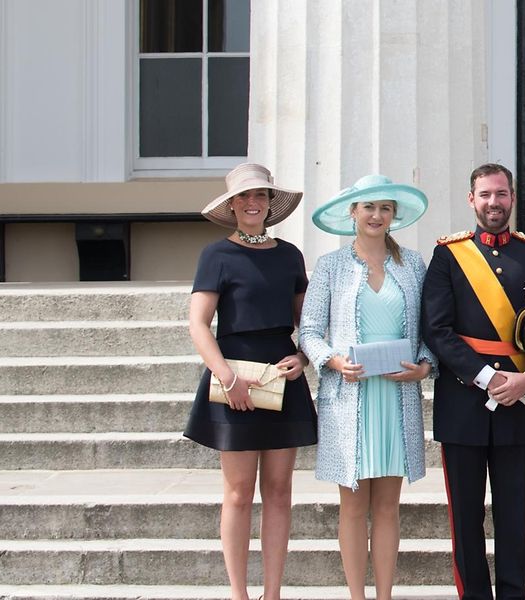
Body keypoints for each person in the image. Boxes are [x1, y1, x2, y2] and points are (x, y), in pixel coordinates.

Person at [422, 163, 525, 600]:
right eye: (485, 195)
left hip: (519, 403)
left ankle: (512, 593)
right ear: (472, 200)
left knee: (513, 512)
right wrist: (485, 377)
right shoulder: (449, 255)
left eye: (501, 194)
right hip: (464, 402)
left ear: (512, 198)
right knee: (465, 515)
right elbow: (437, 329)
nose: (494, 203)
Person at [298, 175, 436, 600]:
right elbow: (309, 330)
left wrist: (425, 366)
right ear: (352, 212)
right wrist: (333, 361)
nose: (377, 215)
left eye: (385, 208)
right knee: (354, 507)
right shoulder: (331, 266)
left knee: (389, 507)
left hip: (396, 398)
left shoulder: (413, 264)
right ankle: (357, 596)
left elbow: (431, 329)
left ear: (394, 216)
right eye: (368, 207)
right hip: (350, 398)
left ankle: (384, 596)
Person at [183, 162, 314, 600]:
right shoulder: (215, 255)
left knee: (279, 491)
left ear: (270, 203)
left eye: (260, 195)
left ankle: (272, 594)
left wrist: (302, 358)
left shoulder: (291, 255)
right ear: (232, 205)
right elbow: (199, 324)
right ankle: (239, 594)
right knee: (239, 493)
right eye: (244, 196)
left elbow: (309, 324)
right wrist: (227, 375)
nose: (253, 203)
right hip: (232, 378)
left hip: (281, 377)